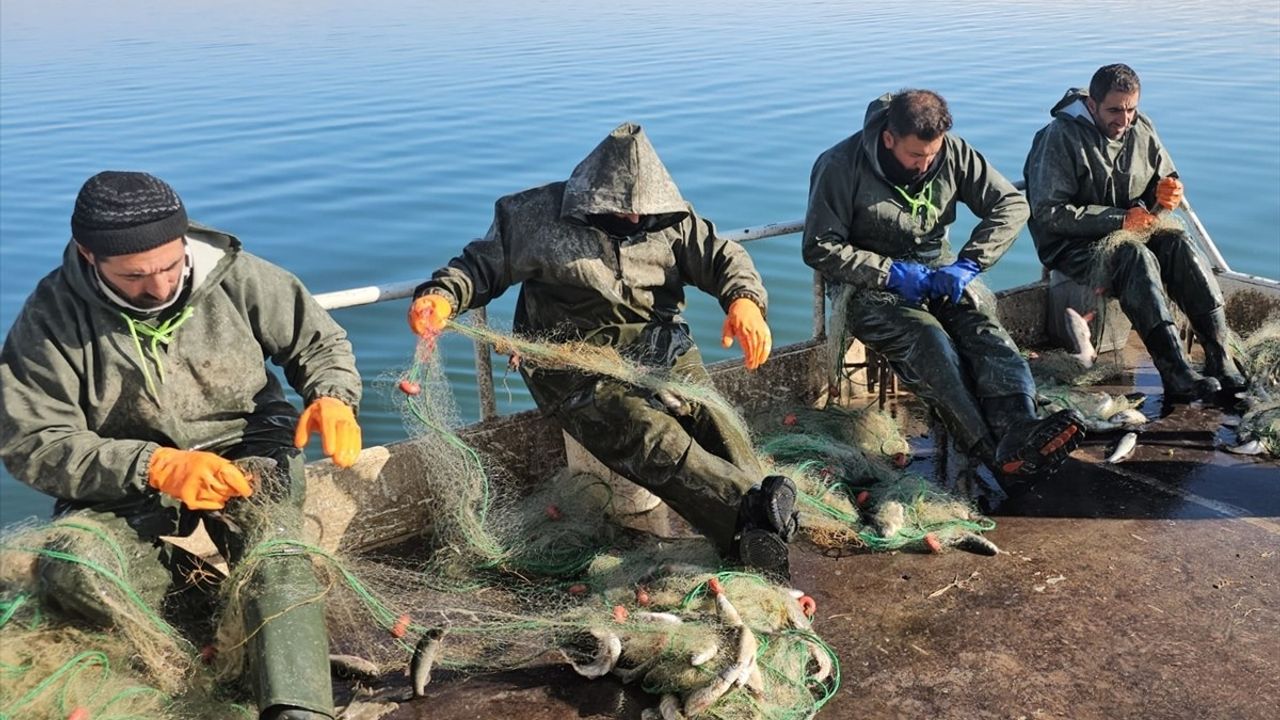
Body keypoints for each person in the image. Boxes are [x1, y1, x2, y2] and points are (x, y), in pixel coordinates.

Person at [0, 171, 364, 720]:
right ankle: (201, 607)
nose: (159, 285)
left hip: (246, 441)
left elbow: (319, 341)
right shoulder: (50, 316)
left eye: (170, 265)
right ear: (87, 254)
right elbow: (32, 442)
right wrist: (153, 465)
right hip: (128, 466)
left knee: (276, 551)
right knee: (77, 567)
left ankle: (298, 709)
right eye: (135, 275)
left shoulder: (238, 276)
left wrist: (332, 395)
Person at [407, 122, 799, 579]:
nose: (634, 219)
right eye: (620, 211)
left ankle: (758, 521)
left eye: (643, 212)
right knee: (653, 436)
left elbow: (723, 257)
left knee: (716, 422)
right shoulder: (533, 217)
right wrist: (442, 295)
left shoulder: (672, 218)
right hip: (572, 364)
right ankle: (754, 514)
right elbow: (479, 267)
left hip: (661, 347)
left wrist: (744, 302)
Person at [804, 89, 1085, 481]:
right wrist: (891, 273)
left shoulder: (952, 152)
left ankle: (1022, 426)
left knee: (985, 331)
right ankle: (992, 453)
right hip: (866, 288)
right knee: (930, 341)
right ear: (888, 139)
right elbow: (819, 247)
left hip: (938, 273)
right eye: (915, 156)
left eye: (932, 155)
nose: (925, 164)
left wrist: (970, 262)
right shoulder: (838, 164)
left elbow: (1011, 204)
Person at [1024, 63, 1247, 399]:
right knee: (1133, 256)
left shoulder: (1141, 128)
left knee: (1178, 242)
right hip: (1071, 245)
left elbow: (1165, 174)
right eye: (1114, 110)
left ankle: (1219, 356)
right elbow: (1047, 212)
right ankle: (1174, 369)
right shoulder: (1058, 138)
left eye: (1131, 109)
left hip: (1134, 228)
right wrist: (1118, 221)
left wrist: (1168, 191)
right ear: (1091, 104)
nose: (1124, 119)